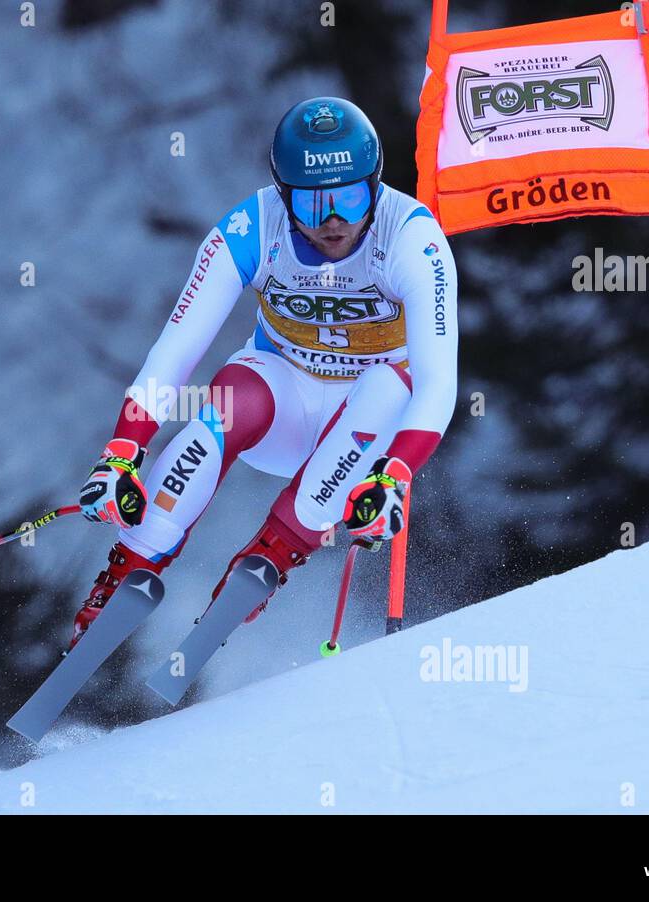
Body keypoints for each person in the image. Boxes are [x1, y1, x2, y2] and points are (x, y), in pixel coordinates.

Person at [74, 96, 458, 648]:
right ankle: (128, 567)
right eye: (311, 202)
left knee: (388, 383)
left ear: (376, 184)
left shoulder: (411, 238)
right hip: (279, 405)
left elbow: (438, 380)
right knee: (232, 395)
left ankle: (265, 562)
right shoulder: (252, 226)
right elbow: (176, 349)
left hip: (363, 435)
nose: (332, 222)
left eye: (350, 199)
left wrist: (396, 474)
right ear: (283, 196)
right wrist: (122, 450)